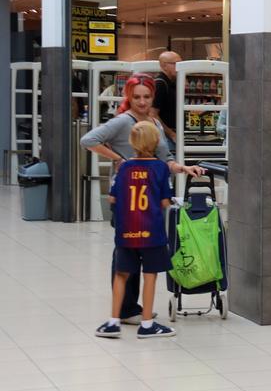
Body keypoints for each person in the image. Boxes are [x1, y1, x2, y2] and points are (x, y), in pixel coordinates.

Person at [82, 74, 203, 326]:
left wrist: (182, 168)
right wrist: (118, 158)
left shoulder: (154, 123)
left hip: (147, 201)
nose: (141, 102)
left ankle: (132, 308)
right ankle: (126, 310)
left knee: (139, 252)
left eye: (146, 97)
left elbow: (165, 157)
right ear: (129, 96)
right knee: (126, 253)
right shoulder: (122, 122)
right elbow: (88, 140)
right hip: (128, 199)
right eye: (136, 97)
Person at [95, 121, 177, 339]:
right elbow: (165, 202)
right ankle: (148, 324)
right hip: (152, 233)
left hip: (126, 232)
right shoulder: (160, 168)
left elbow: (112, 198)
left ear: (131, 142)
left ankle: (113, 322)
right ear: (157, 141)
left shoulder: (124, 168)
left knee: (121, 274)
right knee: (150, 275)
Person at [151, 51, 182, 146]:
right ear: (164, 66)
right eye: (176, 64)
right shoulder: (160, 84)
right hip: (165, 138)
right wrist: (171, 134)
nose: (179, 67)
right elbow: (153, 115)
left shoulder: (171, 83)